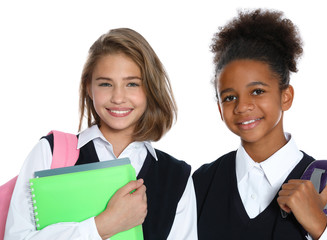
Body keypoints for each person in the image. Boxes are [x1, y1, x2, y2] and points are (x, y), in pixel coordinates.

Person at [5, 28, 197, 240]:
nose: (118, 97)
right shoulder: (52, 152)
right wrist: (102, 226)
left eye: (132, 84)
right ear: (89, 87)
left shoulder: (177, 177)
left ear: (150, 89)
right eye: (106, 84)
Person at [192, 9, 327, 240]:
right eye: (230, 97)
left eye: (257, 91)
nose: (242, 106)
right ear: (220, 109)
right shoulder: (201, 184)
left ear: (286, 96)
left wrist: (320, 226)